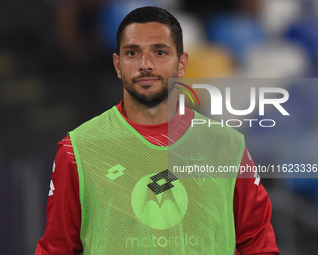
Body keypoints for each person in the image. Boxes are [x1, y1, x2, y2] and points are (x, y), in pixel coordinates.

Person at [35, 6, 279, 254]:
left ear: (181, 64)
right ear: (117, 65)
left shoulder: (227, 147)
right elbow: (56, 248)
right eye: (132, 53)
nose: (145, 64)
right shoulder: (78, 150)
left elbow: (259, 245)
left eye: (160, 52)